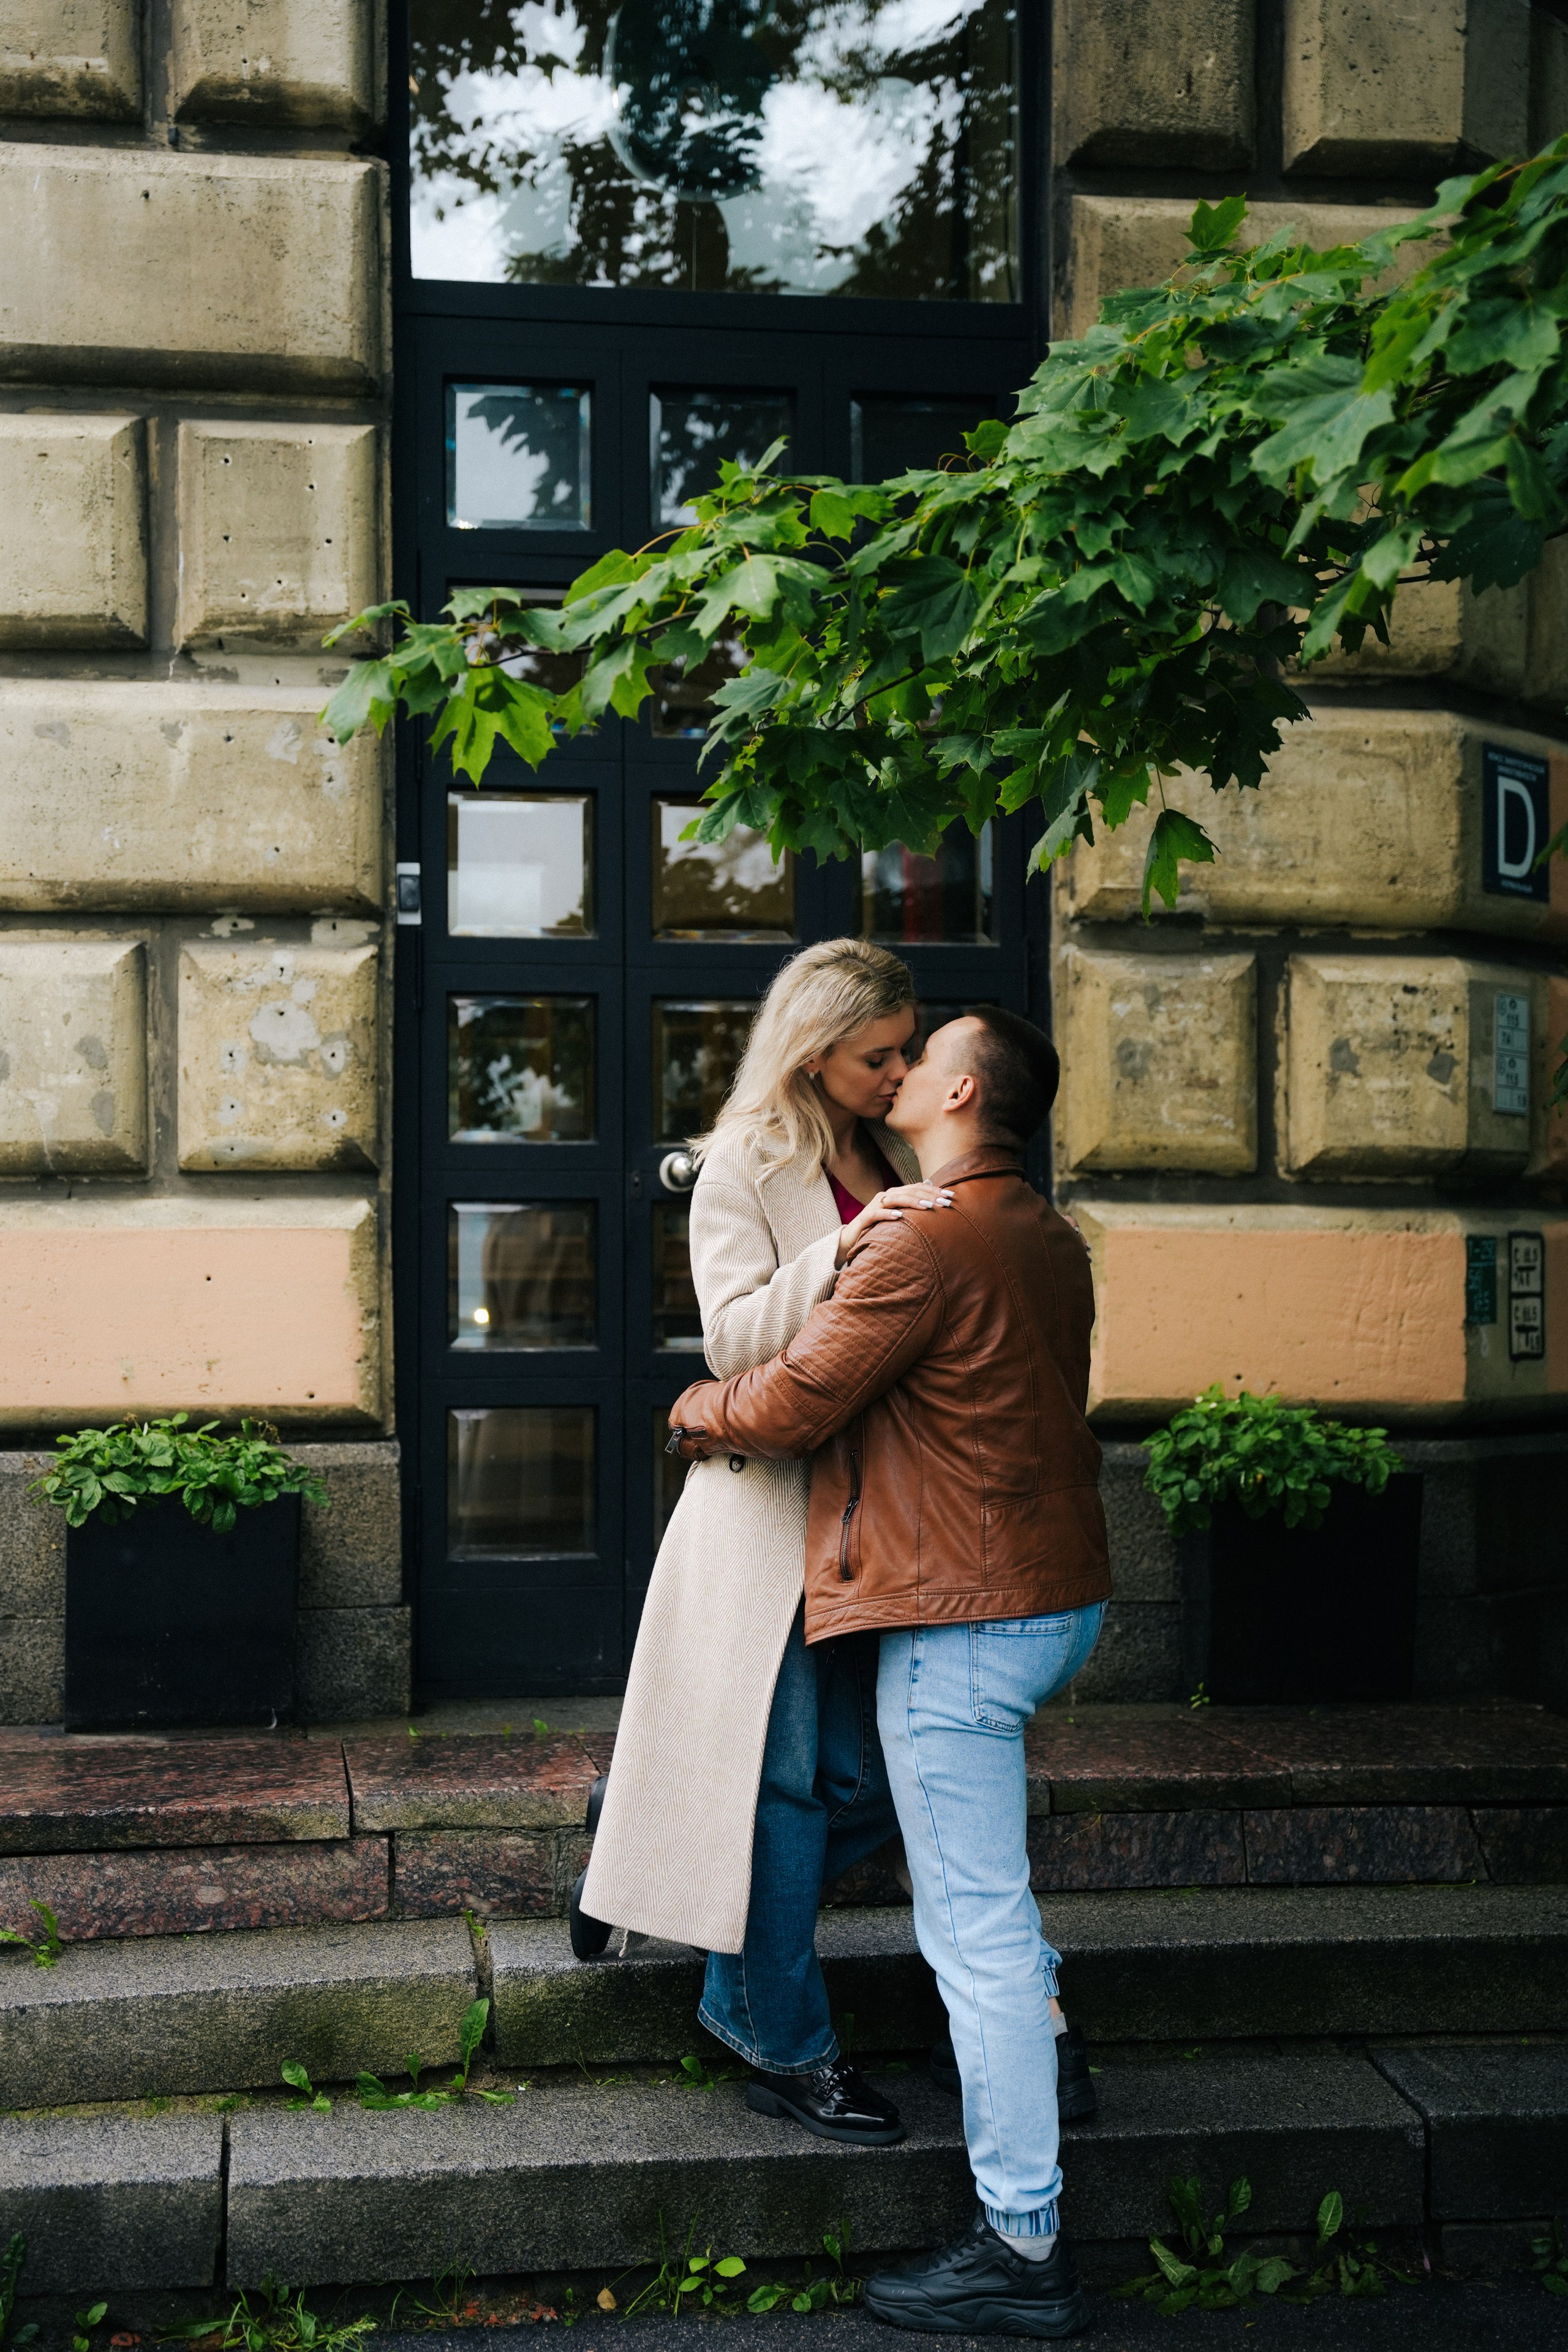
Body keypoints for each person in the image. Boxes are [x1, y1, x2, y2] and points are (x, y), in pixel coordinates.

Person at [668, 1008, 1112, 2339]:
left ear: (962, 1090)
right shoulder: (1046, 1233)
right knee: (988, 1905)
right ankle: (1049, 2062)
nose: (900, 1068)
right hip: (1051, 1601)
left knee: (968, 1932)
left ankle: (1020, 2246)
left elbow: (796, 1397)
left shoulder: (919, 1234)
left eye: (923, 1058)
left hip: (961, 1621)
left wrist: (689, 1413)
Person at [576, 938, 956, 2149]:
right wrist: (842, 1246)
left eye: (905, 1049)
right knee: (789, 1786)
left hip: (884, 1512)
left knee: (879, 1777)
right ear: (811, 1052)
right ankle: (783, 2040)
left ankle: (685, 1875)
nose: (899, 1072)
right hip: (772, 1513)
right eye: (874, 1056)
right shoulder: (742, 1163)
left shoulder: (893, 1145)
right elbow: (733, 1340)